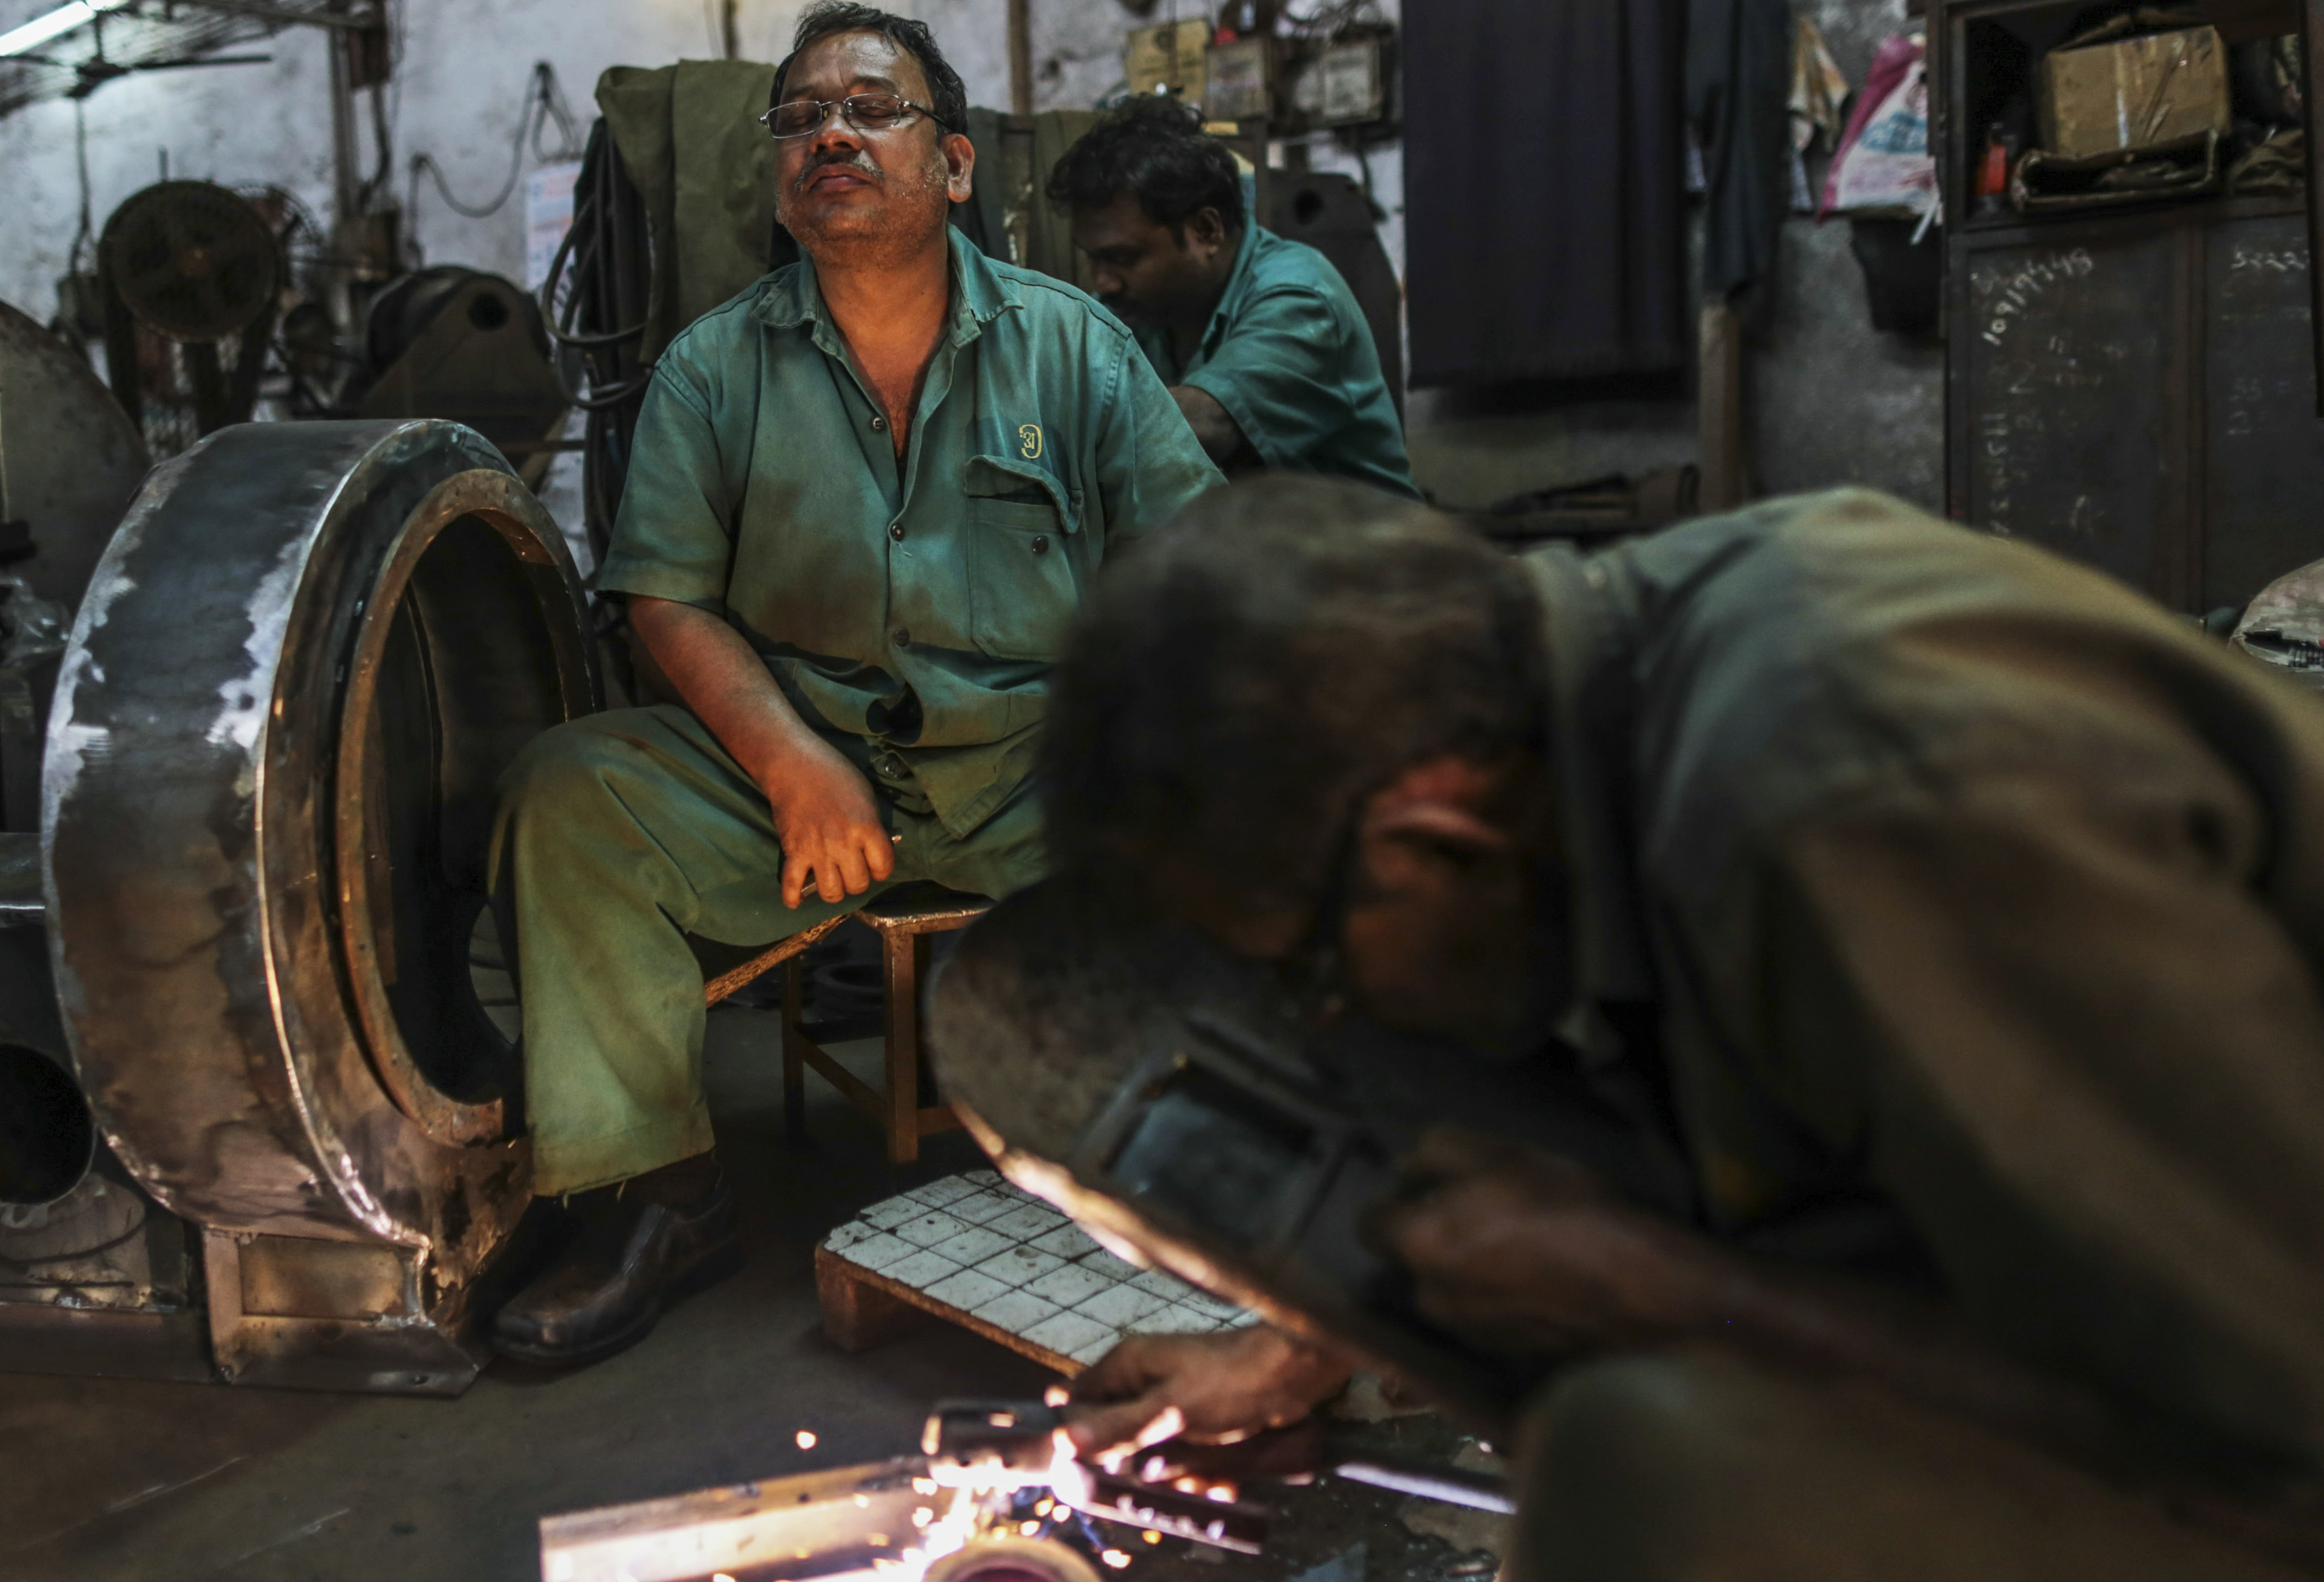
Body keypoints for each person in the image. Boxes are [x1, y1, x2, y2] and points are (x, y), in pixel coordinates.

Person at [930, 476, 2324, 1579]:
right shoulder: (1565, 678)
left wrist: (1670, 1294)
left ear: (1435, 835)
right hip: (2069, 1223)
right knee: (1063, 1024)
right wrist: (1292, 1351)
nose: (1324, 1022)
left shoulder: (1858, 801)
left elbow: (2276, 1432)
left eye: (1310, 972)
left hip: (2263, 1397)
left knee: (1642, 1458)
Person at [482, 2, 1222, 1368]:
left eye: (870, 106)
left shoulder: (1072, 348)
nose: (829, 127)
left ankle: (1199, 1156)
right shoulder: (711, 369)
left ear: (949, 166)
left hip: (1030, 772)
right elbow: (665, 597)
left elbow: (1188, 576)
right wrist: (786, 758)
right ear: (779, 172)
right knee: (571, 794)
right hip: (801, 778)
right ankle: (658, 1194)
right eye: (801, 113)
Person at [1047, 96, 1418, 497]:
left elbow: (1205, 425)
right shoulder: (1138, 307)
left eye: (1122, 258)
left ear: (1207, 231)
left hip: (1362, 553)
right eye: (1093, 259)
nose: (1104, 283)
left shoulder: (1301, 297)